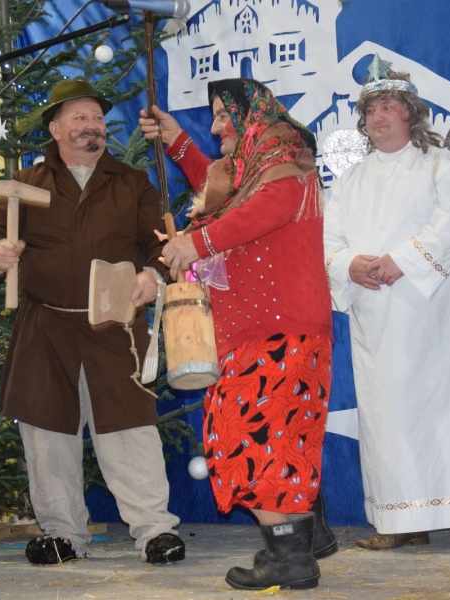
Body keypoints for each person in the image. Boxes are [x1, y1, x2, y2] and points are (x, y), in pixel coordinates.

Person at [0, 80, 184, 566]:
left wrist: (153, 274)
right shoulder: (26, 184)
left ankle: (155, 531)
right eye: (80, 118)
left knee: (130, 432)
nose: (93, 126)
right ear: (55, 129)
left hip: (117, 327)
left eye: (98, 118)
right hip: (45, 330)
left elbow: (160, 242)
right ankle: (63, 534)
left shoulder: (131, 182)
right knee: (48, 437)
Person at [140, 78, 333, 590]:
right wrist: (177, 141)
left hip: (278, 330)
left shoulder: (284, 159)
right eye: (214, 115)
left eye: (225, 114)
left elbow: (261, 209)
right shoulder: (255, 170)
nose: (217, 125)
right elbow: (223, 189)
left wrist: (196, 242)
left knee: (251, 439)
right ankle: (297, 545)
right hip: (262, 331)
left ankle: (291, 554)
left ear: (254, 116)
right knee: (268, 441)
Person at [322, 56, 450, 551]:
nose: (378, 117)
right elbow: (327, 242)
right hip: (378, 319)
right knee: (389, 418)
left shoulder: (442, 165)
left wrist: (403, 260)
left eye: (388, 107)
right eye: (370, 110)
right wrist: (351, 265)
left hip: (439, 313)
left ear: (411, 112)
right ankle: (403, 518)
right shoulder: (349, 181)